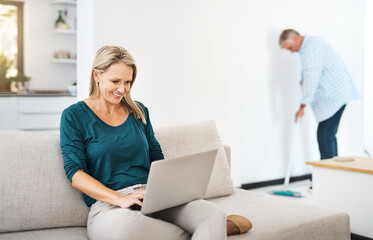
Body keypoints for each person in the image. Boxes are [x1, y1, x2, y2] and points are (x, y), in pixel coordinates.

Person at [60, 46, 252, 240]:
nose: (122, 89)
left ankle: (210, 229)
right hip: (109, 206)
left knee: (213, 215)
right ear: (96, 75)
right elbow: (76, 174)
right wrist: (121, 199)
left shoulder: (139, 112)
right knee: (123, 228)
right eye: (115, 81)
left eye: (128, 82)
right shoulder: (74, 116)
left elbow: (157, 159)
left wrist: (169, 191)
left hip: (152, 198)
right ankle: (212, 232)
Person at [279, 29, 360, 160]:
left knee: (325, 135)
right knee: (327, 135)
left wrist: (301, 108)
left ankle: (329, 176)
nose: (291, 51)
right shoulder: (311, 45)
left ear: (294, 38)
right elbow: (313, 74)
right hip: (336, 95)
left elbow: (311, 82)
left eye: (290, 48)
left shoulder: (310, 51)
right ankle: (331, 175)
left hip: (334, 97)